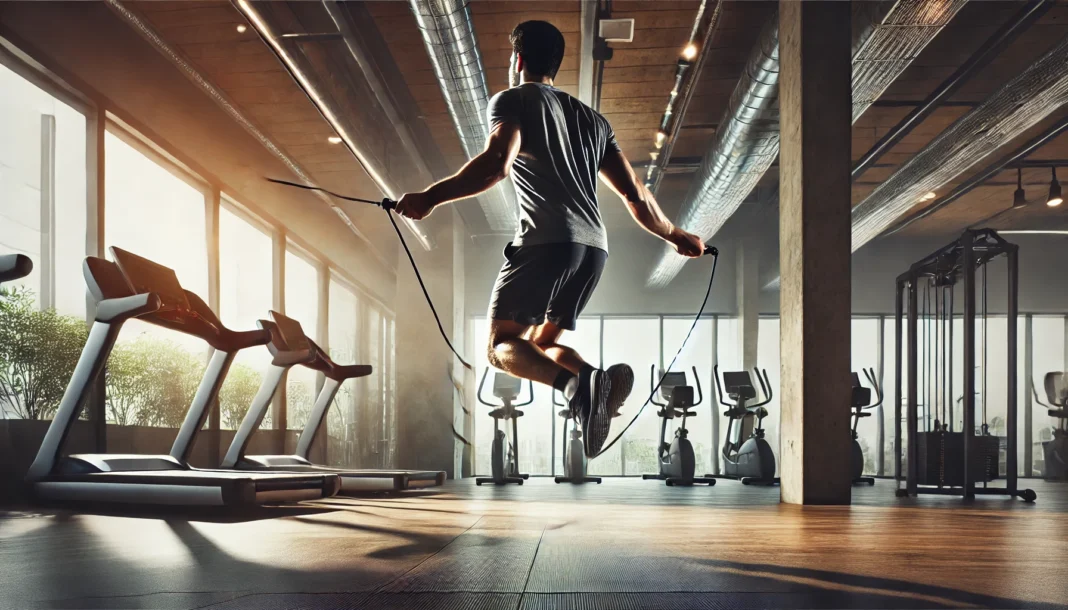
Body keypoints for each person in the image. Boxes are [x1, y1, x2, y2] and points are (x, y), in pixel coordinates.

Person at [396, 20, 704, 457]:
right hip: (594, 250)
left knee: (500, 347)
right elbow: (635, 194)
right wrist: (676, 236)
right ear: (555, 64)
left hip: (545, 243)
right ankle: (592, 378)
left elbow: (496, 165)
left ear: (517, 60)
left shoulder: (513, 99)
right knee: (540, 344)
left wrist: (430, 197)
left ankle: (576, 386)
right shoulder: (594, 121)